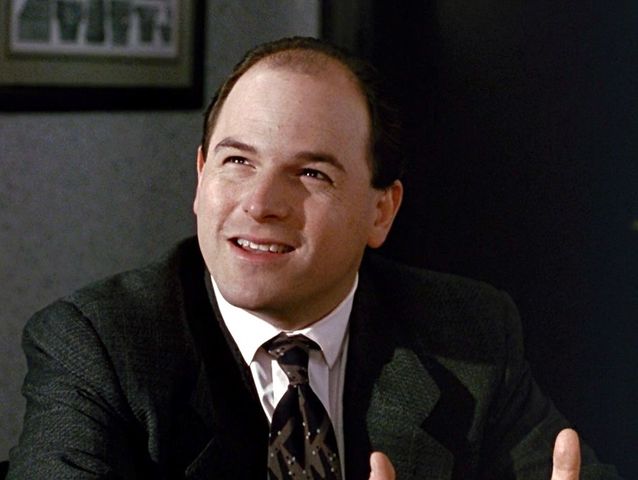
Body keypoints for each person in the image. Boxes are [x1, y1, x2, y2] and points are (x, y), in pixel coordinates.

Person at [7, 37, 621, 479]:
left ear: (381, 211)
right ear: (200, 177)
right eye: (237, 161)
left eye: (310, 174)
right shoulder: (98, 346)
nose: (260, 203)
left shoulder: (465, 330)